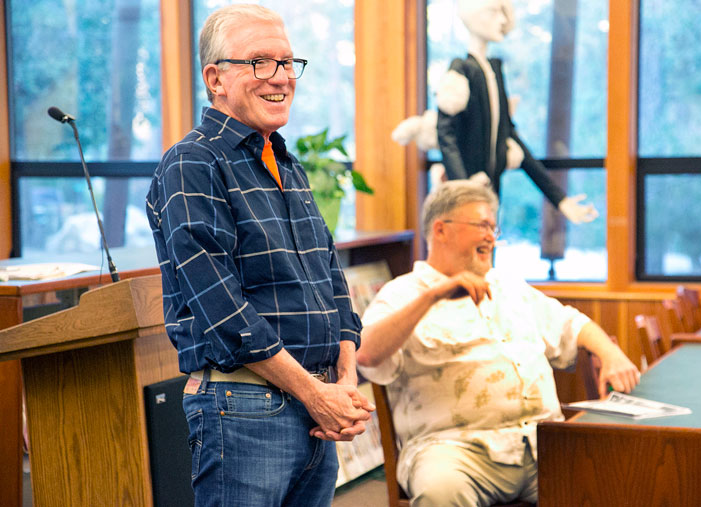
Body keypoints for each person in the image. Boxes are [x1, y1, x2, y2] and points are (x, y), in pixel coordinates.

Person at [145, 5, 373, 506]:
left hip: (316, 406)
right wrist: (317, 394)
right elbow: (224, 310)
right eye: (260, 62)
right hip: (244, 407)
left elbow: (330, 279)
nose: (282, 77)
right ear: (216, 78)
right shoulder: (192, 163)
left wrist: (345, 380)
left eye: (289, 62)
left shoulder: (285, 162)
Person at [356, 180, 639, 506]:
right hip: (454, 450)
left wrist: (611, 353)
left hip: (540, 443)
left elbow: (571, 324)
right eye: (482, 225)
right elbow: (367, 354)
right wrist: (434, 296)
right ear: (441, 230)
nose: (492, 236)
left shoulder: (509, 287)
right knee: (440, 492)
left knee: (616, 475)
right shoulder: (403, 293)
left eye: (494, 227)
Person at [435, 0, 598, 224]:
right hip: (465, 199)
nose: (502, 21)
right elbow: (446, 135)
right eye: (495, 12)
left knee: (486, 249)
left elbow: (509, 135)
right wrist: (464, 191)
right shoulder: (461, 71)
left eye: (504, 13)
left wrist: (560, 200)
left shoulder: (494, 71)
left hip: (489, 195)